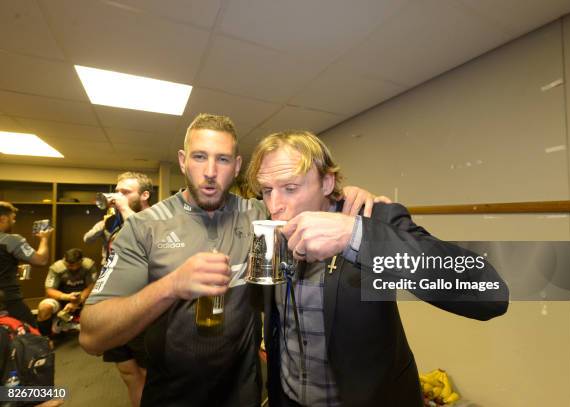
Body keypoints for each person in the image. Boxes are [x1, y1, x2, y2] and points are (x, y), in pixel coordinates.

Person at [80, 113, 379, 406]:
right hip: (173, 395)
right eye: (199, 157)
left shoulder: (260, 213)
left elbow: (304, 202)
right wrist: (170, 286)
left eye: (222, 159)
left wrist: (346, 199)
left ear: (236, 166)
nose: (210, 171)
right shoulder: (144, 226)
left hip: (245, 393)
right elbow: (92, 337)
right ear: (183, 160)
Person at [245, 130, 510, 406]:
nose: (275, 206)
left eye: (290, 188)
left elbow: (489, 294)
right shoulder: (271, 232)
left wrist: (357, 236)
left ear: (326, 182)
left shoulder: (373, 218)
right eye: (266, 190)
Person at [82, 171, 152, 407]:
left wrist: (124, 210)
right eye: (117, 190)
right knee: (129, 374)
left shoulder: (157, 217)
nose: (118, 196)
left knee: (151, 375)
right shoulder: (113, 220)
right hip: (112, 305)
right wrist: (106, 219)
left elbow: (146, 237)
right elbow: (88, 239)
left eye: (125, 192)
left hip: (142, 308)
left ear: (144, 195)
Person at [0, 201, 53, 327]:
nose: (14, 222)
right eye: (12, 219)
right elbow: (41, 260)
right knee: (32, 336)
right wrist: (44, 239)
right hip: (8, 300)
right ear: (2, 219)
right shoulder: (11, 240)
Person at [37, 248, 97, 334]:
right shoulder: (56, 268)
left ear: (81, 261)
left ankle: (89, 332)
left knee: (97, 305)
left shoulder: (88, 266)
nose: (73, 268)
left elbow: (92, 285)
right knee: (44, 308)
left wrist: (78, 300)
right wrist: (67, 297)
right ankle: (45, 338)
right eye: (69, 265)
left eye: (76, 265)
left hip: (82, 298)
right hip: (61, 298)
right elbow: (49, 290)